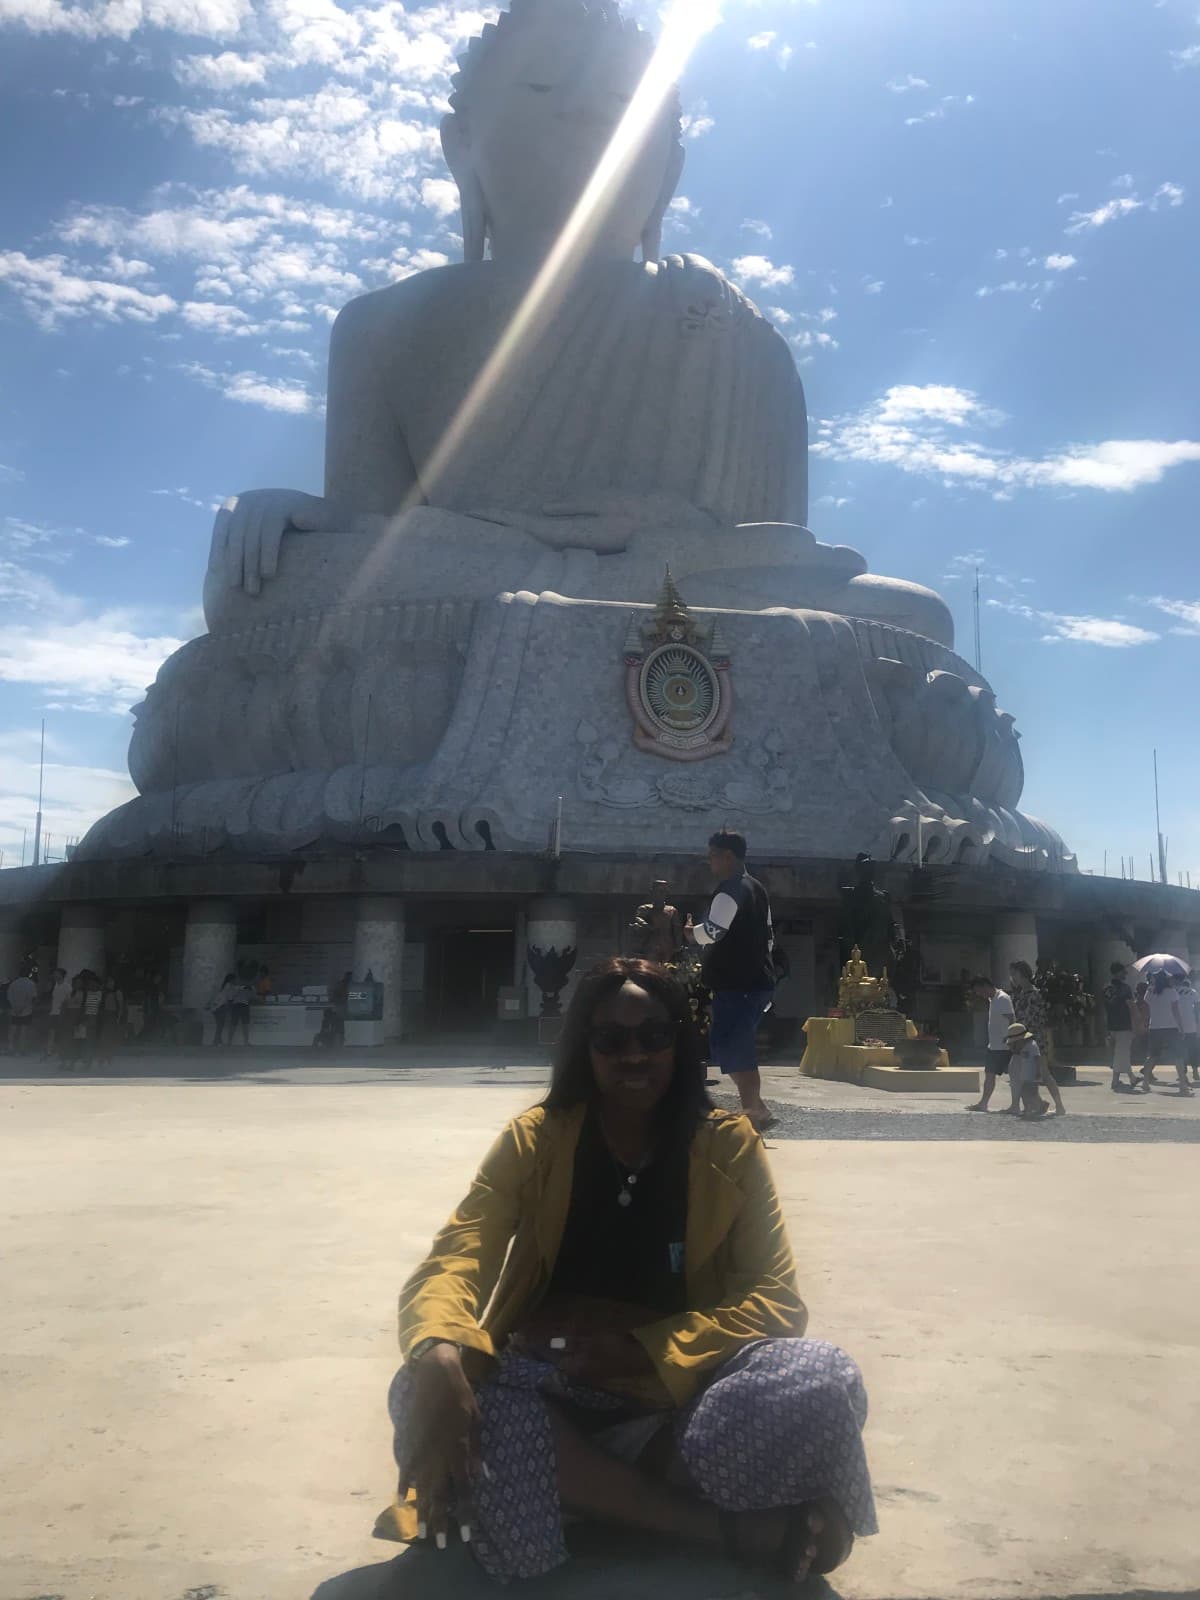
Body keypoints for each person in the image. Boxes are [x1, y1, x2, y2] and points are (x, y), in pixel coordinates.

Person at [376, 957, 877, 1585]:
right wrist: (441, 1345)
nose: (633, 1056)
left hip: (678, 1404)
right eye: (610, 1040)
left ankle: (585, 1504)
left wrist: (646, 1351)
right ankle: (716, 1528)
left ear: (681, 1044)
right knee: (423, 1387)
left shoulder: (726, 1145)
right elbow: (460, 1250)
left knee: (819, 1377)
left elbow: (775, 1299)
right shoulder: (537, 1141)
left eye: (654, 1037)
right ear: (584, 1050)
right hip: (542, 1391)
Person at [684, 830, 777, 1132]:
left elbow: (713, 931)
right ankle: (757, 1109)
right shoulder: (757, 888)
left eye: (712, 855)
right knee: (728, 1044)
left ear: (727, 856)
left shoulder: (730, 890)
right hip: (753, 981)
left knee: (737, 1046)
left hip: (741, 984)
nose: (709, 861)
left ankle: (753, 1114)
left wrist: (690, 933)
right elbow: (769, 936)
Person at [1008, 961, 1062, 1116]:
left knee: (1043, 1074)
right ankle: (1033, 1104)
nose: (1013, 977)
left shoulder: (1034, 994)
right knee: (1019, 1072)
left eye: (1015, 974)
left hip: (1034, 1040)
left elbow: (1036, 1020)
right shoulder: (1019, 995)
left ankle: (1058, 1105)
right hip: (1020, 1041)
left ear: (1023, 974)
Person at [964, 977, 1016, 1113]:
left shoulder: (1003, 998)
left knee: (1014, 1076)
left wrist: (1012, 1039)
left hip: (1005, 1046)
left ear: (986, 986)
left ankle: (1019, 1105)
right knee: (989, 1075)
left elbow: (1012, 1019)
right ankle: (983, 1103)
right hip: (993, 1045)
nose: (979, 995)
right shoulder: (992, 1000)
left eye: (979, 991)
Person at [1139, 971, 1191, 1096]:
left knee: (1153, 1055)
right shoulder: (1171, 992)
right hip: (1171, 1027)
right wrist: (1181, 1028)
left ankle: (1145, 1082)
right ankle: (1182, 1084)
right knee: (1178, 1056)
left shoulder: (1150, 991)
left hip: (1155, 1027)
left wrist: (1145, 1023)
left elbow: (1146, 1008)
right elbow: (1176, 1011)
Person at [1101, 962, 1137, 1093]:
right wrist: (1136, 1022)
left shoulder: (1106, 987)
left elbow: (1105, 1007)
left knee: (1121, 1053)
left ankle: (1130, 1078)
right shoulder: (1126, 988)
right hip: (1124, 1024)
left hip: (1111, 1023)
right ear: (1117, 973)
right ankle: (1116, 1080)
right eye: (1123, 971)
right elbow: (1131, 1006)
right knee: (1122, 1052)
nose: (1125, 974)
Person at [629, 882, 684, 966]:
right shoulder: (644, 909)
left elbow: (677, 930)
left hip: (667, 946)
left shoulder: (672, 910)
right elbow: (637, 918)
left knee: (666, 968)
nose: (660, 894)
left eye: (663, 891)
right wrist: (645, 925)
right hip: (650, 946)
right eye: (658, 891)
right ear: (652, 892)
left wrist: (678, 946)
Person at [1005, 1023, 1050, 1119]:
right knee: (1029, 1094)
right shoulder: (1023, 1047)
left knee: (1027, 1094)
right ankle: (1041, 1105)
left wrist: (1038, 1072)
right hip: (1026, 1076)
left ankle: (1028, 1110)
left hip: (1032, 1076)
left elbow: (1037, 1058)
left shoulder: (1032, 1046)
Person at [1172, 972, 1200, 1087]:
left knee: (1180, 1051)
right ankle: (1195, 1072)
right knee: (1193, 1049)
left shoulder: (1173, 992)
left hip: (1177, 1027)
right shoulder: (1193, 992)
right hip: (1192, 1026)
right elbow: (1198, 1010)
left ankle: (1182, 1074)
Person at [6, 969, 37, 1056]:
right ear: (28, 974)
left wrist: (15, 1007)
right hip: (26, 1011)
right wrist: (25, 1007)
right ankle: (21, 1049)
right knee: (24, 1031)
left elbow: (9, 997)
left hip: (14, 1010)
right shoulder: (31, 984)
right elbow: (33, 997)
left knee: (12, 1029)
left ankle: (10, 1048)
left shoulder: (13, 984)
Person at [96, 976, 125, 1066]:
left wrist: (119, 1018)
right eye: (108, 982)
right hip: (104, 1016)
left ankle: (109, 1057)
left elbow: (121, 1006)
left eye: (112, 982)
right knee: (102, 1038)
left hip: (113, 1016)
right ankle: (102, 1057)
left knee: (109, 1038)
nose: (110, 984)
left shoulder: (117, 992)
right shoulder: (103, 992)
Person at [44, 968, 71, 1064]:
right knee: (51, 1032)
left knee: (60, 1033)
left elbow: (68, 1000)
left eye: (57, 974)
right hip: (53, 1012)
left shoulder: (67, 986)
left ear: (62, 975)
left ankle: (60, 1051)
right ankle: (49, 1051)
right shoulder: (55, 986)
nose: (55, 975)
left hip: (61, 1013)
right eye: (54, 974)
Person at [210, 973, 236, 1047]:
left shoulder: (223, 986)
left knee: (219, 1025)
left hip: (215, 1007)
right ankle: (215, 1041)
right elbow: (230, 998)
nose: (235, 981)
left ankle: (219, 1041)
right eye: (234, 979)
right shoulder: (230, 986)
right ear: (231, 979)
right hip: (221, 1007)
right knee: (220, 1025)